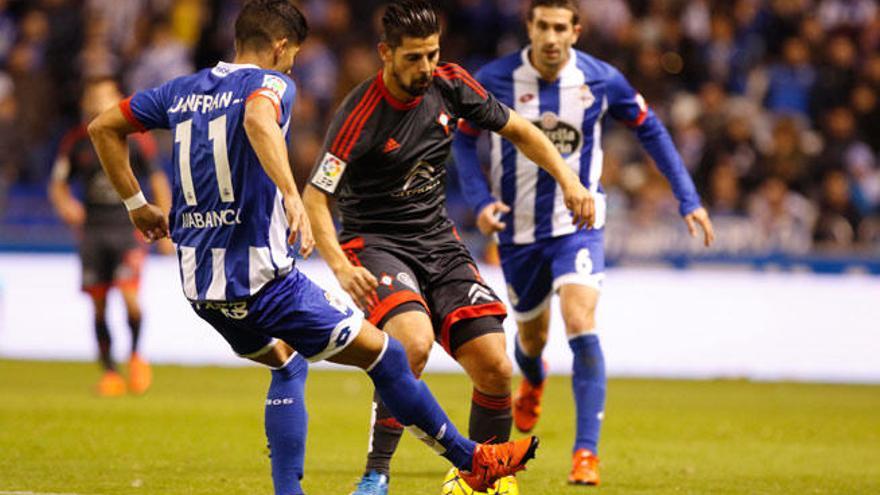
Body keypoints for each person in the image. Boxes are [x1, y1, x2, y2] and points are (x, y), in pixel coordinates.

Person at [85, 1, 537, 494]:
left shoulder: (181, 90)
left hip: (202, 289)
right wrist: (288, 193)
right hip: (264, 280)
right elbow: (259, 118)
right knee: (388, 356)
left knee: (288, 363)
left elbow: (103, 126)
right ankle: (473, 459)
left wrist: (136, 205)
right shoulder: (271, 84)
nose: (293, 64)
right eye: (293, 55)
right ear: (280, 47)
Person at [301, 1, 594, 494]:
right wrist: (338, 266)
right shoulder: (360, 113)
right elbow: (315, 196)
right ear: (385, 54)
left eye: (432, 55)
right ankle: (376, 474)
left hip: (438, 241)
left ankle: (480, 479)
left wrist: (568, 179)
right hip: (374, 243)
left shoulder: (451, 84)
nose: (426, 68)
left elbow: (521, 130)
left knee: (497, 366)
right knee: (411, 345)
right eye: (413, 58)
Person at [452, 0, 715, 486]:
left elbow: (651, 129)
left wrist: (688, 197)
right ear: (529, 28)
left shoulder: (601, 79)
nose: (551, 38)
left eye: (560, 27)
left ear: (576, 30)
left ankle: (585, 454)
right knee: (529, 339)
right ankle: (533, 376)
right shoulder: (494, 78)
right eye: (542, 27)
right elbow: (463, 140)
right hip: (518, 232)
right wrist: (480, 199)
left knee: (580, 320)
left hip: (579, 221)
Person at [49, 77, 172, 397]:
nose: (97, 102)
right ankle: (109, 373)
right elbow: (58, 184)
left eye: (104, 96)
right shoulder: (76, 142)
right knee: (100, 305)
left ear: (118, 99)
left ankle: (134, 356)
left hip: (128, 229)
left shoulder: (136, 141)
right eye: (93, 97)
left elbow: (158, 180)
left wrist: (165, 228)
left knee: (131, 300)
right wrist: (67, 205)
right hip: (93, 230)